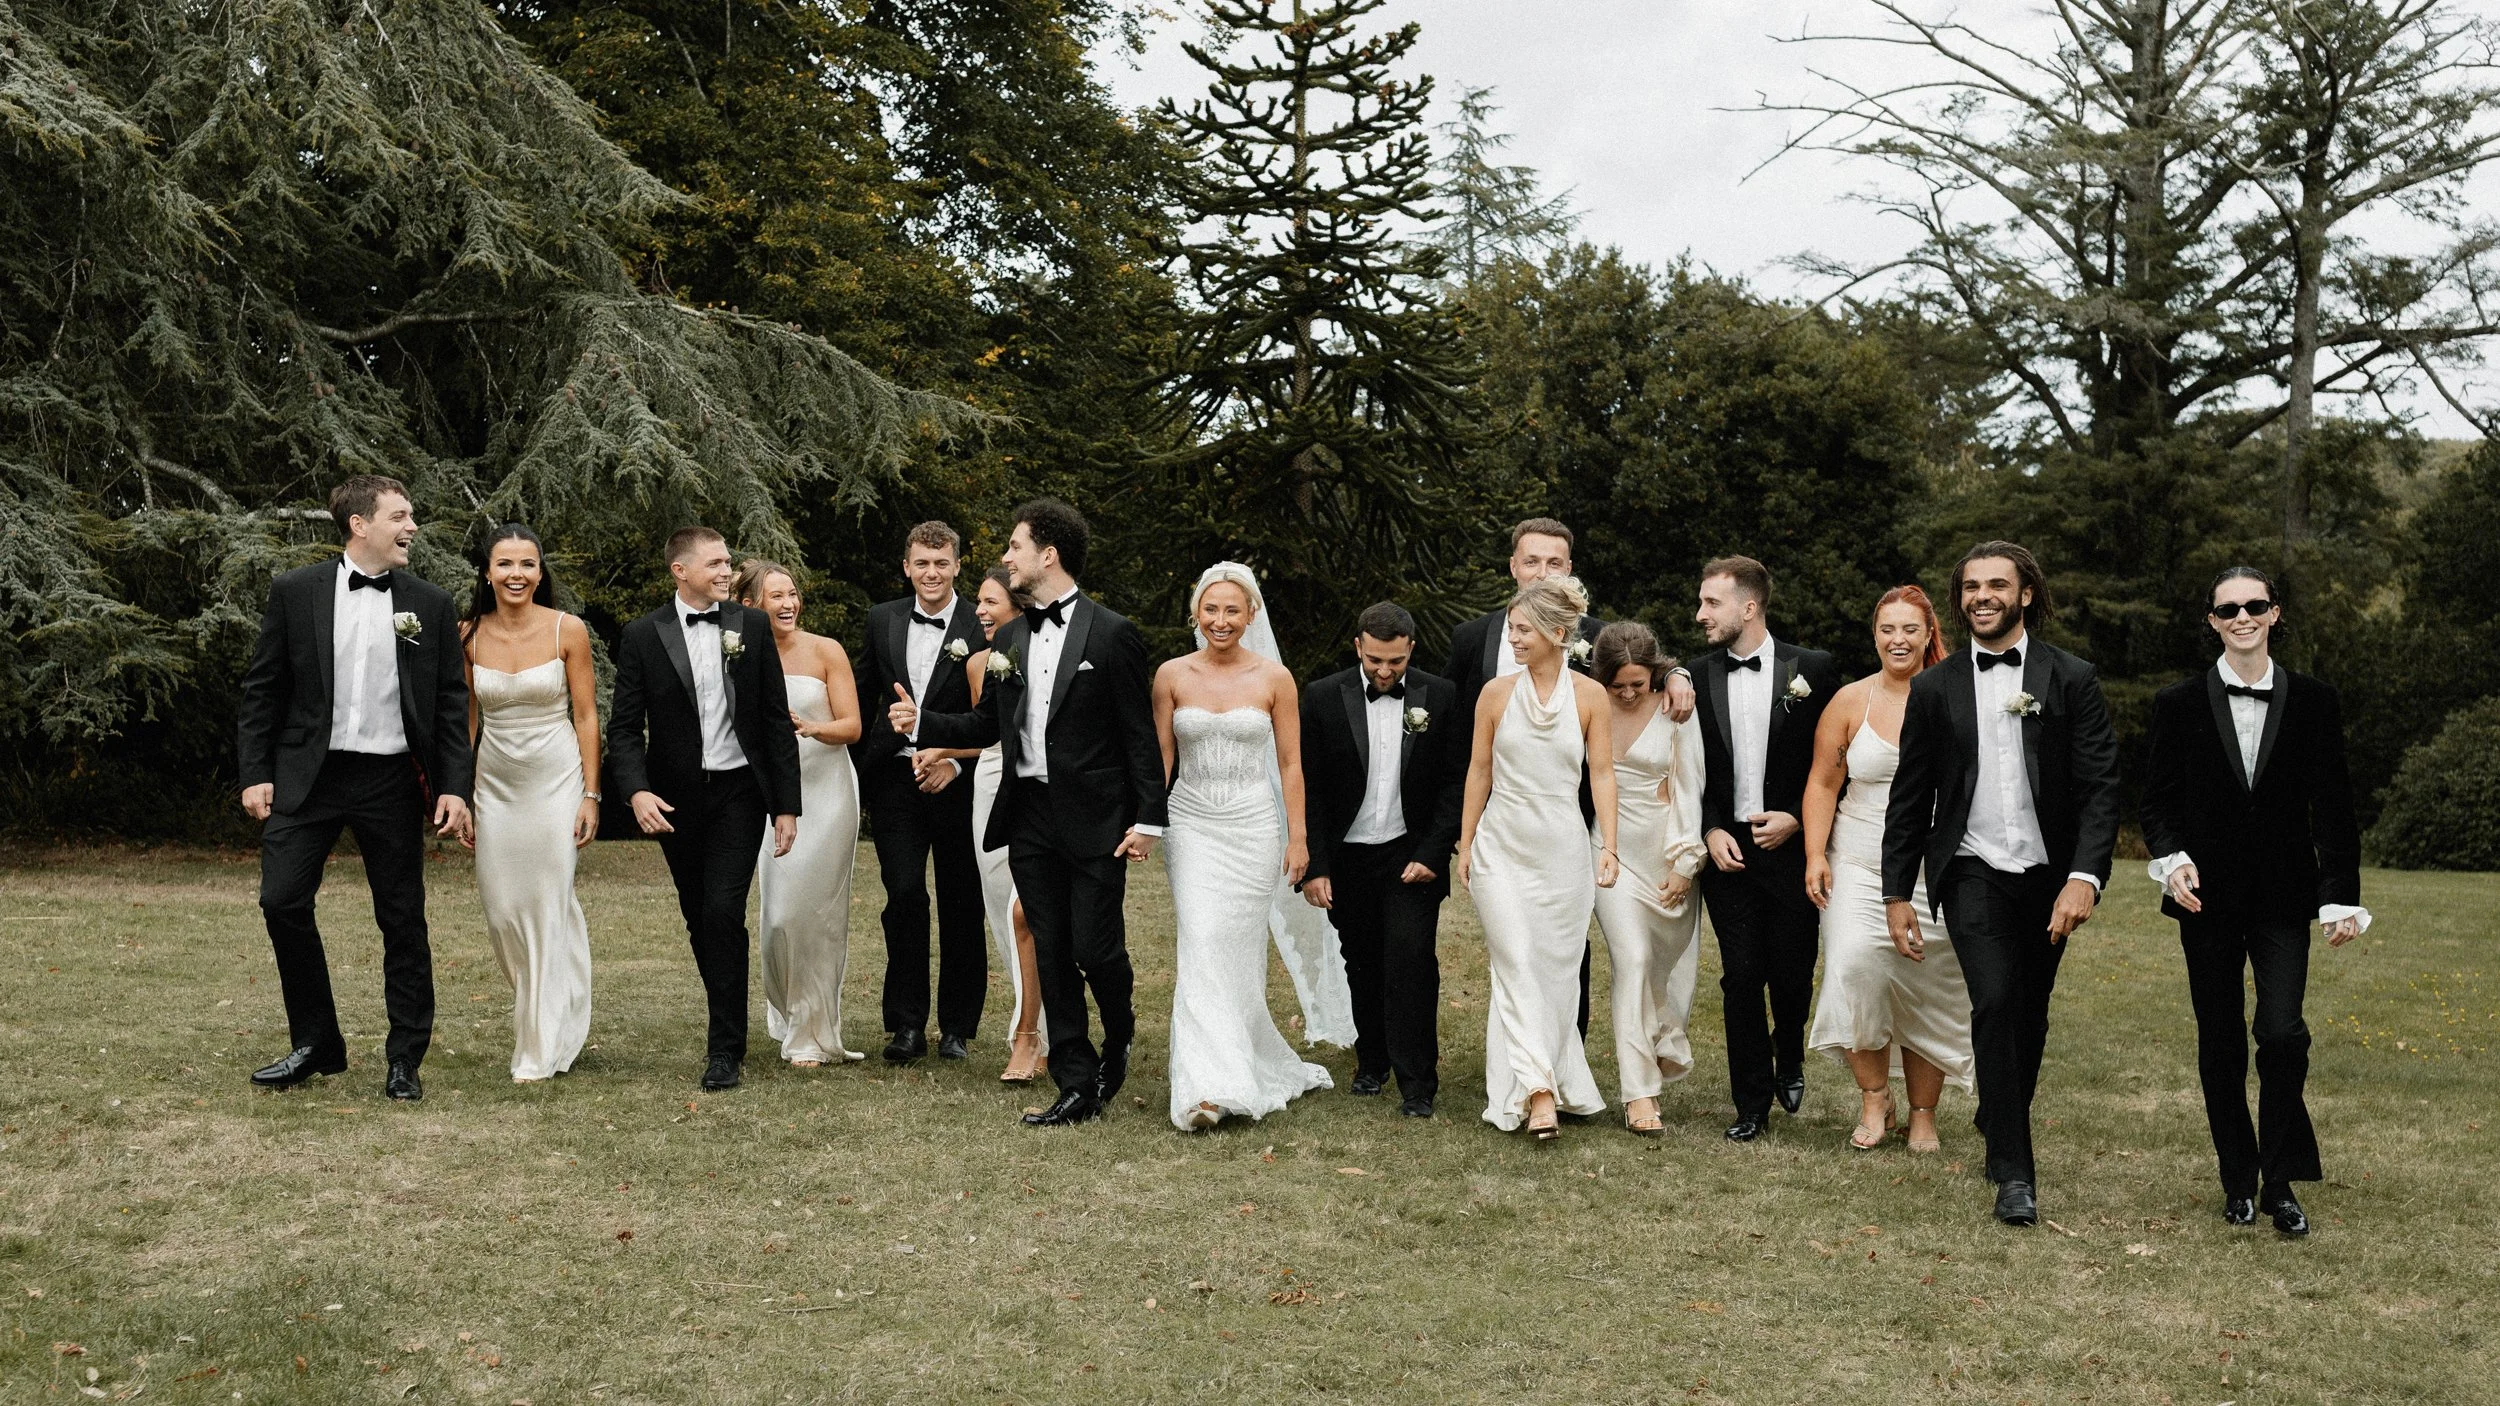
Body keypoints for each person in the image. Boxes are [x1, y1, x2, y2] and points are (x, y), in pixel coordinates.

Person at [893, 499, 1169, 1127]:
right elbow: (988, 723)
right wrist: (923, 723)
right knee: (1049, 949)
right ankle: (1075, 1081)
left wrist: (1149, 817)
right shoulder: (1010, 638)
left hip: (1097, 816)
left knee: (1095, 949)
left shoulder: (1113, 633)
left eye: (1015, 547)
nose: (1007, 559)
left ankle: (1119, 1033)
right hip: (1029, 814)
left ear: (1048, 554)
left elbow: (1138, 734)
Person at [1883, 541, 2120, 1228]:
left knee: (2029, 1009)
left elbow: (2101, 788)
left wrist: (2085, 877)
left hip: (2050, 875)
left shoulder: (2071, 678)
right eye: (1969, 587)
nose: (1980, 596)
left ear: (2024, 595)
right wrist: (1898, 892)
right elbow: (1911, 795)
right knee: (1994, 998)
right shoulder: (1935, 688)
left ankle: (1998, 1109)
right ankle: (2015, 1175)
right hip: (1970, 867)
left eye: (1996, 585)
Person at [2139, 566, 2368, 1238]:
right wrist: (2173, 862)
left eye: (2255, 606)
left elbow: (2334, 807)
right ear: (2212, 621)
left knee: (2281, 1032)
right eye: (2228, 609)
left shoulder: (2314, 701)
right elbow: (2156, 804)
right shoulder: (2177, 703)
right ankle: (2238, 1181)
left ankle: (2280, 1182)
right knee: (2220, 1042)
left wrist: (2340, 899)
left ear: (2275, 614)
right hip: (2205, 898)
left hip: (2281, 898)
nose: (2242, 617)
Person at [236, 475, 474, 1101]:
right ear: (359, 525)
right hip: (308, 776)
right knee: (281, 901)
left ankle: (404, 1059)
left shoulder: (429, 602)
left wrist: (454, 786)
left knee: (401, 918)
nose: (412, 527)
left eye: (412, 515)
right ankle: (317, 1043)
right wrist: (256, 771)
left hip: (390, 777)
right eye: (400, 516)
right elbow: (264, 689)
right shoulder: (295, 591)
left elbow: (450, 704)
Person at [1442, 518, 1691, 1037]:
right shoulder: (1472, 639)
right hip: (1498, 824)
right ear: (1514, 566)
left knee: (1563, 948)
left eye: (1554, 563)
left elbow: (1639, 667)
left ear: (1570, 569)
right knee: (1511, 947)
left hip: (1567, 824)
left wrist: (1678, 675)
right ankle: (1519, 1063)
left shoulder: (1595, 635)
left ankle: (1563, 1049)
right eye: (1532, 561)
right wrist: (1460, 833)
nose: (1542, 572)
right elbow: (1461, 743)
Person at [607, 527, 803, 1091]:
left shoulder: (753, 627)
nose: (727, 571)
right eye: (716, 563)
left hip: (740, 792)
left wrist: (786, 806)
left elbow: (772, 718)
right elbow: (624, 728)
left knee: (722, 912)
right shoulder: (644, 635)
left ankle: (725, 1050)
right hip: (675, 798)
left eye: (728, 562)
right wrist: (636, 791)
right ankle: (727, 1021)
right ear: (681, 571)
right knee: (700, 918)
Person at [1153, 563, 1333, 1130]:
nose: (1221, 620)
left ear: (1251, 614)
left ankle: (1243, 1061)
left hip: (1254, 825)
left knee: (1239, 950)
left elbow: (1290, 763)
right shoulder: (1171, 676)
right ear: (1195, 614)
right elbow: (1159, 760)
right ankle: (1206, 1088)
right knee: (1201, 941)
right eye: (1211, 609)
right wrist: (1145, 824)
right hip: (1192, 824)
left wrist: (1298, 837)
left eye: (1233, 610)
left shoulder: (1275, 677)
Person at [1802, 586, 1973, 1153]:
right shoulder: (1851, 701)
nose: (1898, 640)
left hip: (1937, 865)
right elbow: (1824, 783)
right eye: (1887, 630)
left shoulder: (1958, 693)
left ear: (1929, 635)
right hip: (1857, 859)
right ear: (1875, 636)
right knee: (1854, 968)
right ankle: (1875, 1096)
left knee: (1927, 982)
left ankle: (1924, 1112)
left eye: (1909, 630)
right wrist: (1813, 854)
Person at [1456, 575, 1619, 1140]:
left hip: (1564, 851)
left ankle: (1545, 1080)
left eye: (1523, 630)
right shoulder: (1495, 694)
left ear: (1556, 632)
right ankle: (1540, 1092)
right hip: (1501, 846)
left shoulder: (1592, 697)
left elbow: (1602, 774)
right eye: (1511, 630)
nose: (1515, 639)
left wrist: (1611, 847)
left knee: (1554, 973)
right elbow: (1479, 770)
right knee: (1516, 959)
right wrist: (1467, 839)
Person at [1690, 555, 1842, 1142]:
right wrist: (1708, 828)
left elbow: (1839, 763)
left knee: (1793, 973)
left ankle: (1791, 1056)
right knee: (1740, 975)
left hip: (1792, 852)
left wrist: (1800, 826)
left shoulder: (1816, 671)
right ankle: (1750, 1101)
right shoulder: (1694, 677)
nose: (1700, 613)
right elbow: (1683, 770)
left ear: (1748, 607)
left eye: (1711, 603)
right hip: (1729, 855)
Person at [1299, 602, 1464, 1119]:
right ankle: (1372, 1062)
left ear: (1411, 648)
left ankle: (1418, 1083)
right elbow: (1312, 789)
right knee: (1362, 961)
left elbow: (1454, 783)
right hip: (1347, 857)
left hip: (1409, 855)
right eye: (1374, 661)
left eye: (1394, 661)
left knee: (1412, 961)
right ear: (1358, 648)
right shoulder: (1323, 696)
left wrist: (1432, 853)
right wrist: (1316, 865)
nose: (1385, 671)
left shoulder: (1440, 695)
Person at [460, 524, 598, 1084]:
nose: (517, 574)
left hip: (556, 779)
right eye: (505, 564)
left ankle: (540, 1043)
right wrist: (461, 792)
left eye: (528, 564)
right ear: (488, 573)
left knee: (547, 896)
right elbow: (466, 719)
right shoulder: (467, 634)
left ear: (542, 573)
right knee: (502, 910)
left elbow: (586, 716)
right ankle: (558, 1004)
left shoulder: (569, 630)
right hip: (495, 784)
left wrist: (591, 793)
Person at [853, 523, 992, 1064]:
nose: (931, 573)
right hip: (895, 783)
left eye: (941, 563)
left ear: (957, 565)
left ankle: (957, 1025)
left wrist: (954, 766)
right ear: (906, 567)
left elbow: (991, 716)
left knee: (962, 901)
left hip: (957, 783)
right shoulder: (882, 619)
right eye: (921, 564)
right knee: (904, 895)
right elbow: (864, 694)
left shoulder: (981, 624)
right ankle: (906, 1024)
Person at [914, 565, 1049, 1085]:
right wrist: (938, 742)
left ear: (1017, 609)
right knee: (1001, 912)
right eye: (981, 604)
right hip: (990, 785)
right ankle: (1031, 1021)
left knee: (1030, 911)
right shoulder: (977, 663)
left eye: (991, 603)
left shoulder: (1040, 654)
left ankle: (1033, 1030)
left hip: (1034, 786)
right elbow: (981, 730)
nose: (981, 612)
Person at [740, 559, 865, 1069]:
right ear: (750, 605)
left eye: (792, 593)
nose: (789, 603)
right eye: (777, 596)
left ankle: (812, 1032)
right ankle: (787, 1010)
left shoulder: (826, 650)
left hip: (827, 792)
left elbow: (853, 726)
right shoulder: (742, 653)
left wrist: (812, 728)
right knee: (779, 919)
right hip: (773, 798)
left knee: (818, 918)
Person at [1588, 621, 1708, 1137]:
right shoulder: (1586, 702)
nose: (1630, 693)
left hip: (1667, 850)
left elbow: (1691, 785)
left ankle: (1661, 1040)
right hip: (1609, 851)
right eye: (1620, 686)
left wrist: (1685, 863)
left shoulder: (1676, 705)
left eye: (1639, 682)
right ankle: (1639, 1094)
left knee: (1669, 974)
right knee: (1632, 961)